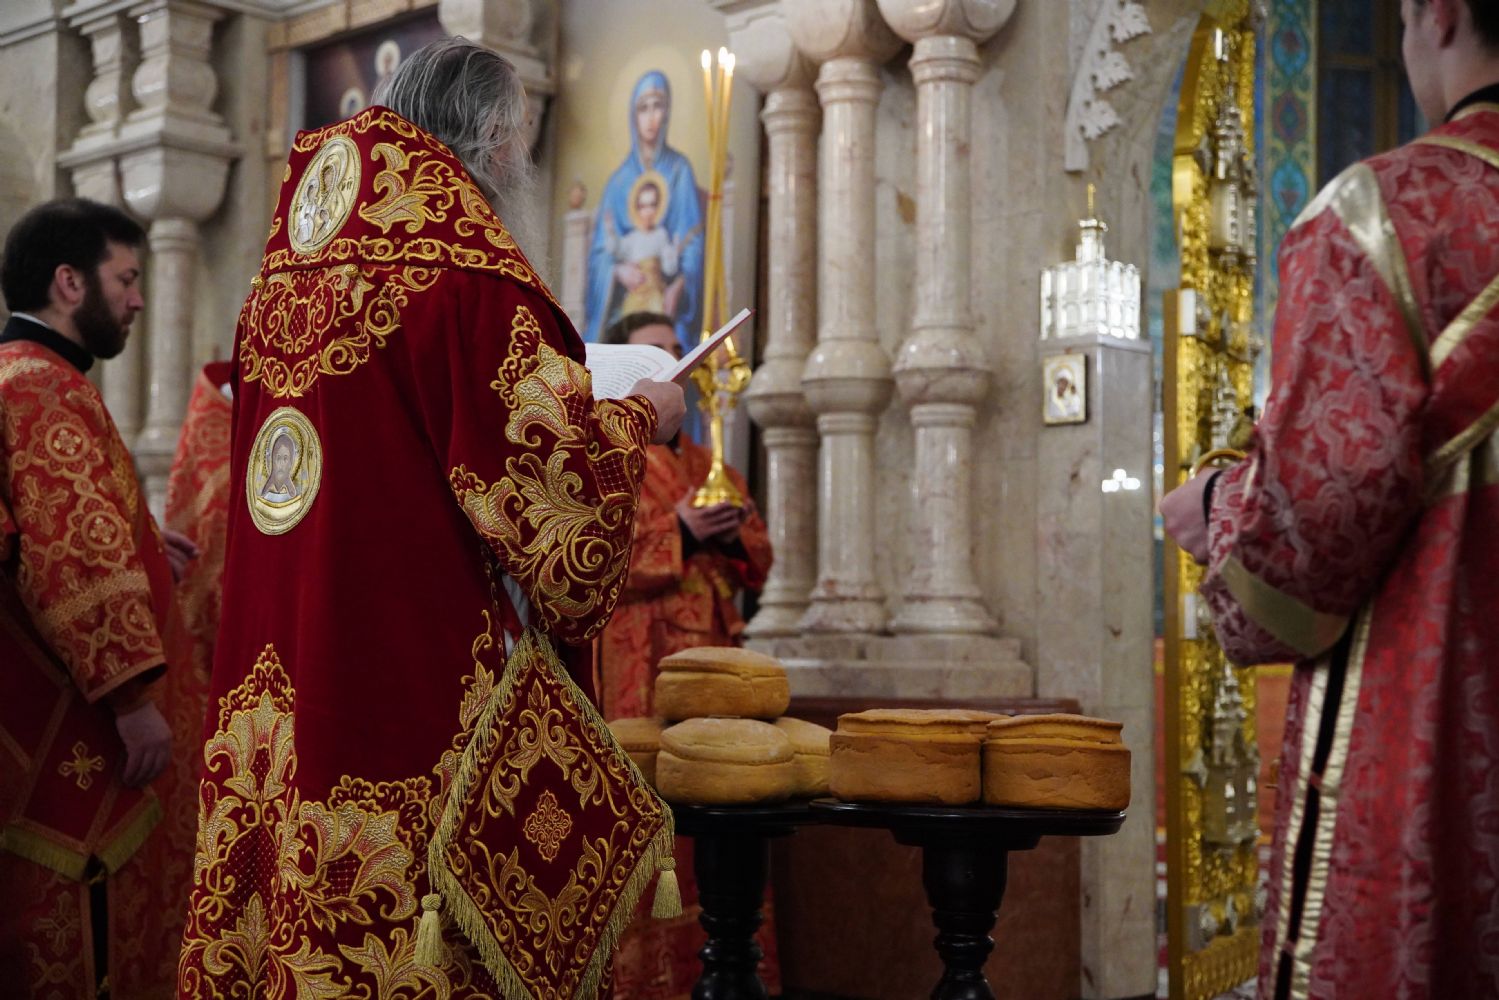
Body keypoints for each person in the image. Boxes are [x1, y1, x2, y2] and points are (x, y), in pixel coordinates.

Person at [176, 38, 686, 1000]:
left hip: (283, 683)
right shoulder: (468, 284)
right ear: (490, 141)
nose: (523, 162)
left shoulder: (282, 285)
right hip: (407, 694)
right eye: (521, 139)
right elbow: (559, 517)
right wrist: (638, 416)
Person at [1160, 2, 1499, 995]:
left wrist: (1217, 508)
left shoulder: (1385, 215)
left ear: (1436, 11)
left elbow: (1317, 523)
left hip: (1434, 711)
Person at [0, 197, 198, 998]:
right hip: (76, 721)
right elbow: (71, 553)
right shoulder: (40, 387)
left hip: (42, 706)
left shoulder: (18, 374)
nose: (139, 299)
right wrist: (131, 698)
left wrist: (144, 540)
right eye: (126, 278)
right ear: (70, 283)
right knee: (81, 932)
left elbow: (57, 528)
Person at [595, 312, 777, 999]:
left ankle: (730, 970)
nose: (672, 363)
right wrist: (680, 532)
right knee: (649, 806)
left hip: (714, 664)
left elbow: (760, 555)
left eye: (676, 352)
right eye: (653, 355)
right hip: (637, 665)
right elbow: (588, 554)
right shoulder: (602, 457)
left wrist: (726, 536)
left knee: (722, 806)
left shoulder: (708, 463)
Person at [584, 71, 704, 348]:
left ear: (667, 112)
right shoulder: (618, 182)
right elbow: (602, 252)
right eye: (643, 108)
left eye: (657, 106)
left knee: (672, 342)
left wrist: (679, 285)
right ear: (633, 115)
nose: (651, 117)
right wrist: (617, 271)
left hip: (667, 298)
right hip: (626, 302)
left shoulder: (679, 170)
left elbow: (693, 242)